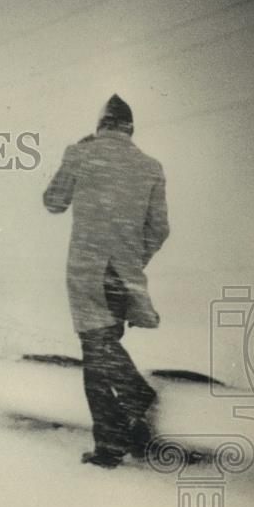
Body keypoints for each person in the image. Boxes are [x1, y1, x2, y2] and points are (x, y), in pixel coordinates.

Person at [43, 94, 170, 468]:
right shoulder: (150, 166)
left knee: (95, 346)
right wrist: (132, 257)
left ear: (101, 125)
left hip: (88, 269)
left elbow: (53, 201)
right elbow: (160, 229)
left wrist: (74, 154)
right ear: (130, 128)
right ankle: (118, 442)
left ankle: (134, 396)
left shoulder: (83, 154)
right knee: (98, 350)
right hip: (124, 275)